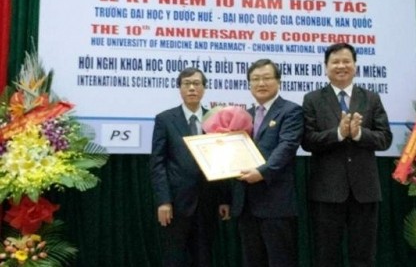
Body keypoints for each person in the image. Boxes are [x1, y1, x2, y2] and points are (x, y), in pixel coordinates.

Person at [301, 43, 393, 267]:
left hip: (365, 190)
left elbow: (385, 139)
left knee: (363, 255)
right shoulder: (312, 99)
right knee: (327, 255)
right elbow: (307, 141)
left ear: (355, 66)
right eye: (335, 62)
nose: (341, 66)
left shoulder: (371, 98)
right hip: (327, 191)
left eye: (346, 61)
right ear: (325, 67)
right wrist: (338, 134)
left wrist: (359, 133)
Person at [150, 67, 230, 267]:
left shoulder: (215, 119)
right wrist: (163, 201)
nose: (192, 88)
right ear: (180, 89)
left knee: (204, 257)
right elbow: (158, 163)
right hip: (176, 203)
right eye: (187, 84)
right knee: (174, 258)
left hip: (207, 201)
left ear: (204, 89)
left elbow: (222, 161)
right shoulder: (165, 119)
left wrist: (224, 199)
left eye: (196, 84)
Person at [231, 59, 304, 267]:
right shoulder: (245, 116)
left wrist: (263, 172)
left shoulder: (291, 111)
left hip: (276, 204)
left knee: (280, 261)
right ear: (249, 84)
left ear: (278, 81)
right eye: (255, 79)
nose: (261, 83)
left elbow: (287, 147)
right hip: (246, 203)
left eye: (266, 78)